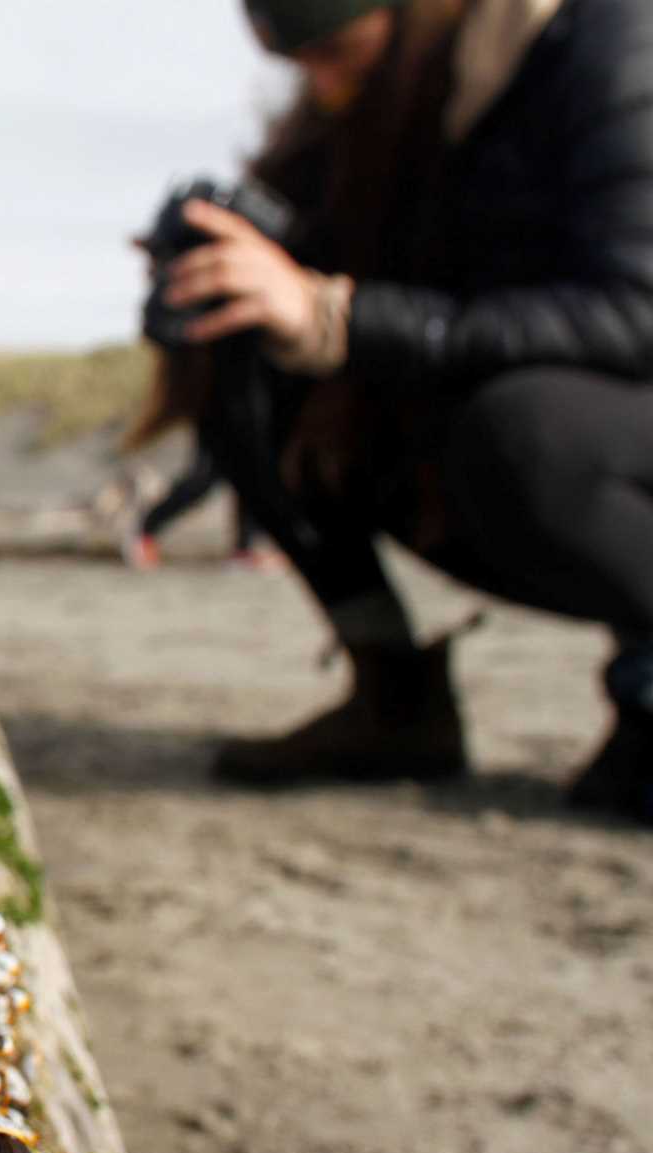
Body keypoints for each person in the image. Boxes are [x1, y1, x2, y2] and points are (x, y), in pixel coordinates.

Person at [138, 0, 653, 822]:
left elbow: (635, 311)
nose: (326, 85)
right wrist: (220, 276)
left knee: (527, 434)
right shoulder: (374, 117)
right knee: (241, 358)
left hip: (593, 431)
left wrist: (340, 317)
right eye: (299, 63)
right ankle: (394, 697)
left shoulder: (602, 39)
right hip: (497, 432)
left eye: (337, 50)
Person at [121, 435, 278, 570]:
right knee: (204, 478)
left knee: (250, 475)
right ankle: (144, 531)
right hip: (223, 411)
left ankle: (243, 550)